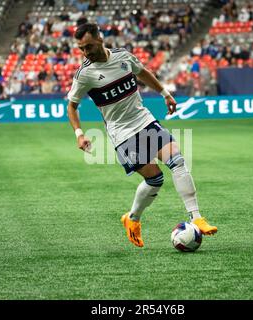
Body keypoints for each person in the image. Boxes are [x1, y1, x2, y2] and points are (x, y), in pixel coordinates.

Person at [66, 23, 218, 248]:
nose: (85, 52)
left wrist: (165, 93)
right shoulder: (85, 74)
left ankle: (196, 217)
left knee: (177, 161)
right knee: (155, 179)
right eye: (81, 49)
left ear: (100, 38)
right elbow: (71, 106)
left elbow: (143, 73)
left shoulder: (123, 57)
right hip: (122, 133)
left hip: (144, 121)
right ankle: (133, 218)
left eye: (88, 46)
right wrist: (79, 134)